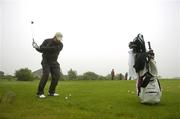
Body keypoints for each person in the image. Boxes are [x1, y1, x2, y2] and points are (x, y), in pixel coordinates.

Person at [32, 32, 63, 98]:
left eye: (60, 39)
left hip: (54, 62)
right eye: (58, 39)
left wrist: (40, 48)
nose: (59, 40)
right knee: (45, 75)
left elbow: (52, 49)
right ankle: (39, 93)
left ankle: (51, 92)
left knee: (56, 76)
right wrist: (36, 47)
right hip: (46, 61)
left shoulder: (61, 45)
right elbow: (41, 50)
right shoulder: (47, 41)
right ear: (55, 37)